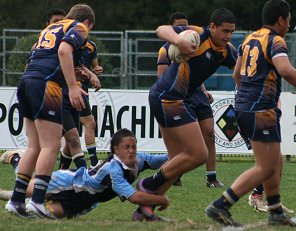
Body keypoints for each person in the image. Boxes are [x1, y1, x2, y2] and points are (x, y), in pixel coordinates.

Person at [205, 0, 296, 227]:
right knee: (266, 166)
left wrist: (248, 96)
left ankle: (275, 210)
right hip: (260, 109)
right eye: (289, 20)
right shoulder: (275, 41)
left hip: (246, 106)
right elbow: (285, 70)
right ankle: (220, 205)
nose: (289, 25)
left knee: (275, 161)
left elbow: (236, 75)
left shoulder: (250, 38)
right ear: (280, 20)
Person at [136, 8, 238, 219]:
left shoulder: (227, 50)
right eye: (224, 30)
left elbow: (241, 72)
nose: (228, 36)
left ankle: (144, 210)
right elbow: (161, 29)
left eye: (231, 31)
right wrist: (178, 41)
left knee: (175, 162)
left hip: (171, 98)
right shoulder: (197, 35)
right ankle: (147, 184)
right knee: (198, 154)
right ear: (212, 27)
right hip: (167, 98)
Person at [5, 4, 96, 219]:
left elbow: (50, 57)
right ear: (87, 23)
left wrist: (86, 74)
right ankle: (37, 201)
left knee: (34, 145)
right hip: (47, 85)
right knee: (52, 145)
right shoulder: (80, 27)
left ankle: (16, 200)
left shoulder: (49, 29)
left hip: (27, 82)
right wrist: (73, 87)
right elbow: (64, 51)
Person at [0, 129, 169, 219]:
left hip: (84, 201)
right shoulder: (113, 169)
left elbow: (162, 159)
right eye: (127, 147)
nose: (132, 151)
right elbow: (134, 198)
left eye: (134, 147)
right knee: (27, 187)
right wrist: (160, 199)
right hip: (68, 183)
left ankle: (15, 196)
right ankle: (16, 158)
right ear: (115, 150)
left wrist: (184, 155)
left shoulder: (139, 159)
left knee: (43, 216)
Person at [161, 12, 224, 187]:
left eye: (186, 24)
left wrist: (203, 89)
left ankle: (211, 178)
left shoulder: (197, 42)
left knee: (210, 133)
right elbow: (162, 78)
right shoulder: (165, 50)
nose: (184, 29)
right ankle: (175, 173)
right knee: (185, 140)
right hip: (180, 96)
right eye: (179, 26)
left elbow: (197, 72)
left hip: (197, 94)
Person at [59, 39, 103, 169]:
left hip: (80, 89)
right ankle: (92, 164)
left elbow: (92, 67)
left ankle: (62, 172)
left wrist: (95, 71)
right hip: (68, 90)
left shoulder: (89, 45)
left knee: (72, 137)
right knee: (84, 128)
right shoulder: (63, 45)